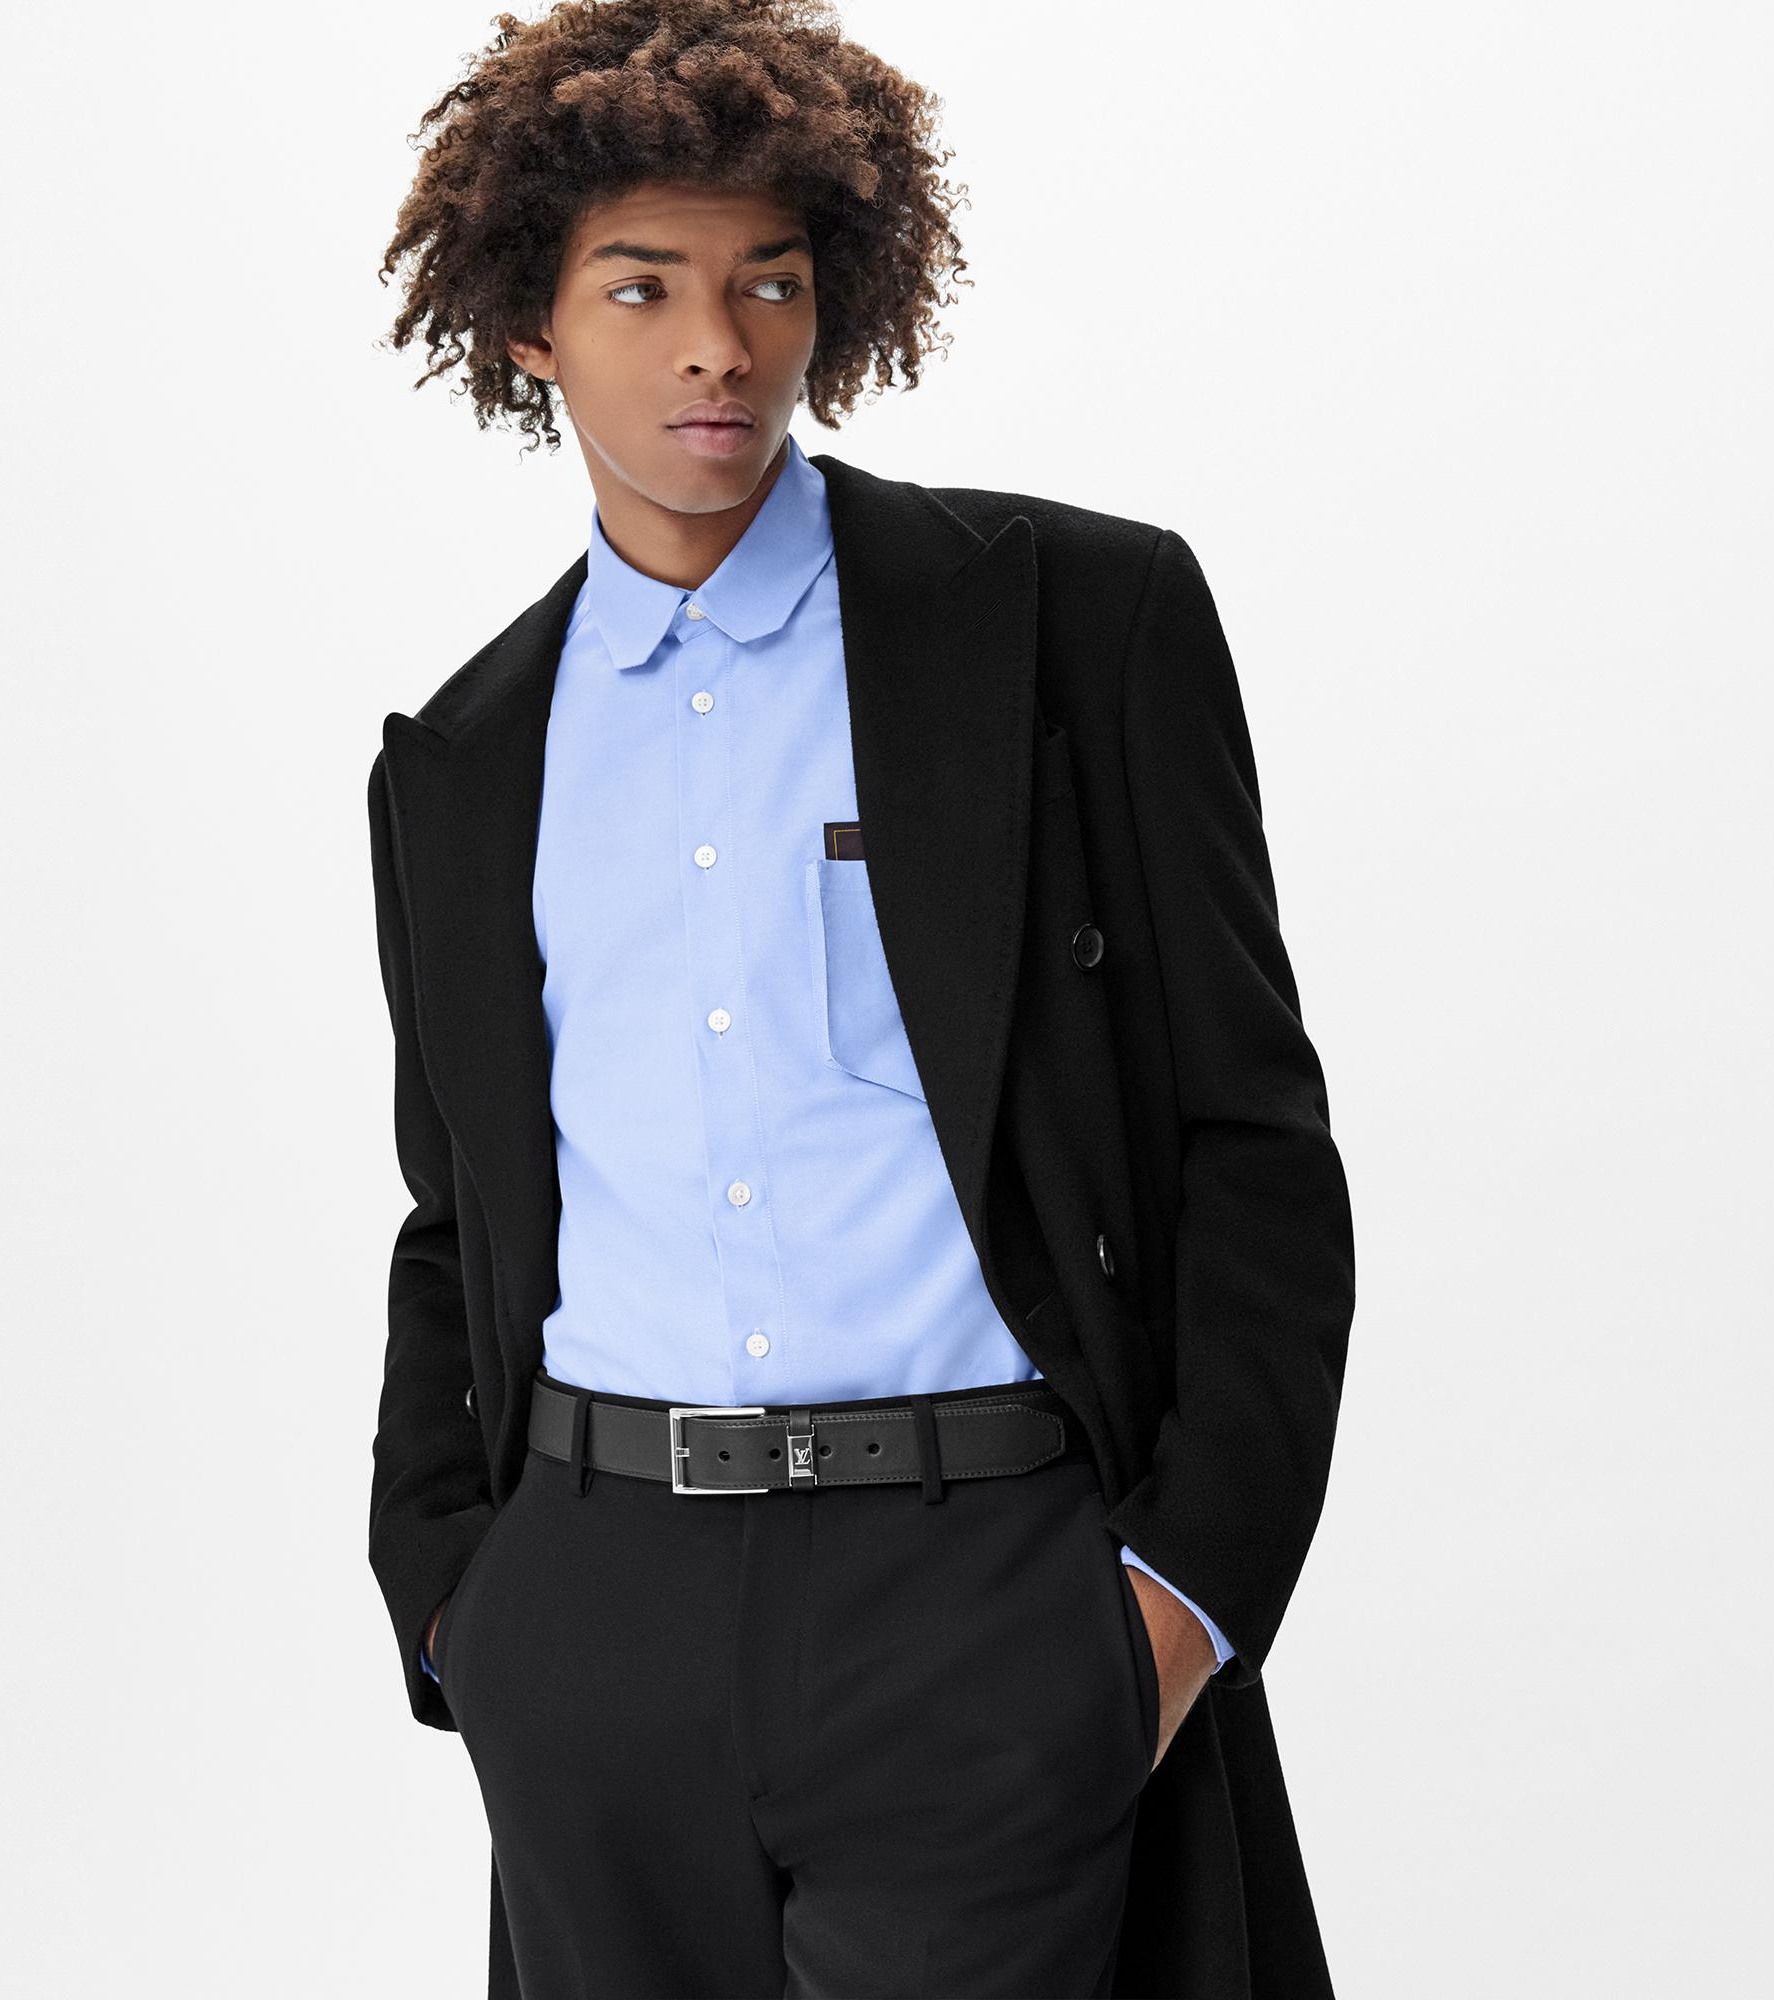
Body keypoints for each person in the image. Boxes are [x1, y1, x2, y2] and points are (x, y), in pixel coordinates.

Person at [367, 3, 1355, 1994]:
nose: (715, 346)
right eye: (641, 287)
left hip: (983, 1591)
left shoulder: (1075, 626)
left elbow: (1249, 1143)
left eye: (769, 280)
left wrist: (1176, 1601)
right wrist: (459, 1595)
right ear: (528, 326)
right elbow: (454, 1217)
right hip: (596, 1615)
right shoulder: (460, 762)